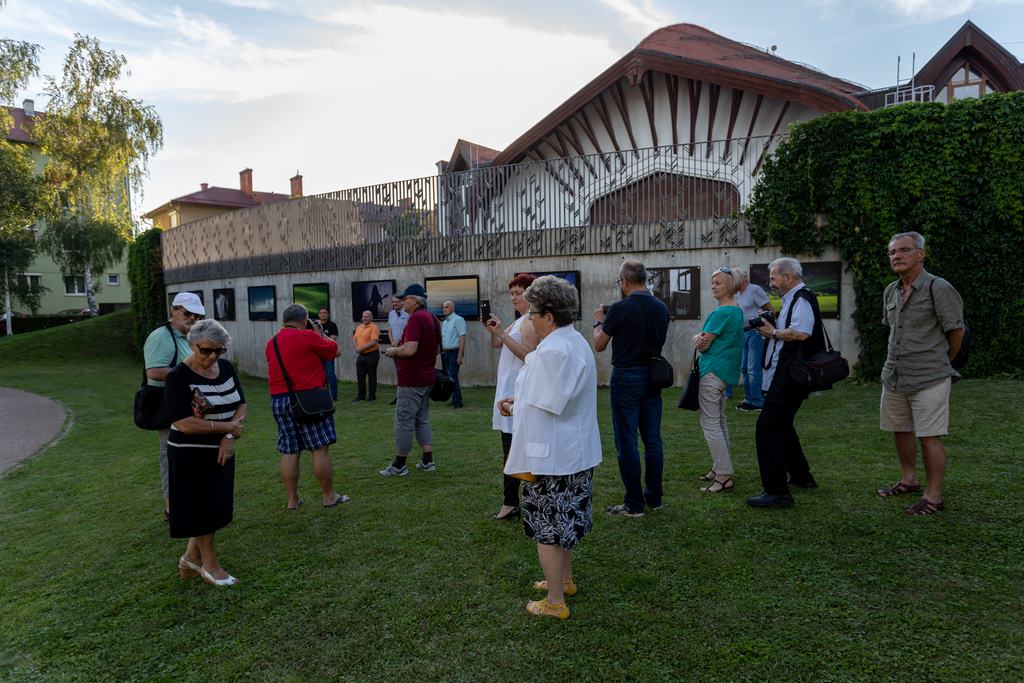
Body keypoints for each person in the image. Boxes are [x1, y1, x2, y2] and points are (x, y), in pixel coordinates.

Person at [497, 275, 600, 621]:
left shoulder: (553, 350)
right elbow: (554, 395)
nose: (530, 318)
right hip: (572, 452)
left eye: (533, 312)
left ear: (549, 316)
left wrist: (514, 408)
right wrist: (520, 401)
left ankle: (555, 601)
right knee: (564, 525)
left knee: (548, 531)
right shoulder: (573, 341)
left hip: (555, 458)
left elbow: (549, 404)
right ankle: (563, 581)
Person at [877, 231, 965, 515]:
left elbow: (956, 330)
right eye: (892, 252)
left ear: (921, 254)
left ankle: (933, 496)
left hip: (930, 376)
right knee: (900, 429)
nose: (897, 256)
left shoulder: (938, 287)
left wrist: (943, 361)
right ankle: (909, 480)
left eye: (904, 250)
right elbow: (892, 329)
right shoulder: (890, 290)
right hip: (894, 375)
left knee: (929, 436)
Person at [164, 319, 246, 586]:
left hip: (221, 449)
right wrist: (226, 427)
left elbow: (241, 405)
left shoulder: (226, 368)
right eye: (206, 350)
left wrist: (229, 437)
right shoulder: (178, 377)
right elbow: (183, 422)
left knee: (214, 505)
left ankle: (189, 559)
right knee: (201, 509)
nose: (212, 357)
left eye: (219, 351)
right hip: (189, 453)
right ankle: (210, 566)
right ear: (192, 344)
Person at [747, 257, 825, 508]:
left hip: (790, 376)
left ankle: (776, 491)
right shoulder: (795, 298)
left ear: (788, 277)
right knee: (782, 425)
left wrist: (773, 332)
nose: (771, 283)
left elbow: (801, 332)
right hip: (788, 374)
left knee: (767, 427)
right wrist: (773, 326)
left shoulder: (801, 298)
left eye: (773, 278)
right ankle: (801, 476)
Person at [593, 259, 669, 517]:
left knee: (627, 442)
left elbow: (599, 344)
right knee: (652, 440)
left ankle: (634, 504)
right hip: (653, 375)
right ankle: (655, 498)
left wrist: (599, 322)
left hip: (626, 375)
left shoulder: (620, 308)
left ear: (624, 281)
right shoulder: (661, 307)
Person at [266, 304, 348, 510]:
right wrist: (319, 332)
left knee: (290, 451)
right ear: (304, 320)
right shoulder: (309, 336)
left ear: (284, 321)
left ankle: (292, 500)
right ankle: (329, 497)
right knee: (319, 448)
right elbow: (336, 350)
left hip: (279, 400)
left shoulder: (271, 342)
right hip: (308, 400)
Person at [484, 273, 540, 521]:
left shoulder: (530, 321)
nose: (513, 298)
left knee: (514, 450)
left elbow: (530, 355)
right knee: (510, 448)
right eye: (512, 294)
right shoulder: (520, 320)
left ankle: (512, 503)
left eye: (518, 293)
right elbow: (496, 344)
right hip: (509, 392)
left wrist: (503, 335)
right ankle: (512, 502)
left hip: (517, 393)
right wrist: (494, 330)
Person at [143, 291, 203, 521]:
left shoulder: (188, 336)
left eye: (197, 315)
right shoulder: (162, 336)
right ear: (174, 311)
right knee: (171, 454)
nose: (193, 318)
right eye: (187, 313)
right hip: (170, 407)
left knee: (189, 453)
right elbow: (154, 371)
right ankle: (172, 506)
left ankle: (190, 498)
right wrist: (189, 375)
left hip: (188, 406)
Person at [693, 267, 744, 493]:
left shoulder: (721, 313)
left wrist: (698, 338)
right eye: (713, 282)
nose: (713, 286)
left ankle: (723, 475)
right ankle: (719, 468)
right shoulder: (737, 310)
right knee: (720, 422)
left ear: (730, 287)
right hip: (725, 373)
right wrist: (701, 338)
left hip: (712, 371)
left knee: (711, 424)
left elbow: (703, 344)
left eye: (718, 283)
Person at [381, 284, 438, 476]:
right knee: (422, 419)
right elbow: (438, 349)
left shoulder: (415, 318)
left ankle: (399, 465)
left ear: (414, 300)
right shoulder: (431, 317)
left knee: (404, 420)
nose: (402, 302)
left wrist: (393, 351)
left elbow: (410, 349)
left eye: (405, 299)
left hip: (411, 379)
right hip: (427, 377)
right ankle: (428, 460)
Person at [732, 267, 773, 412]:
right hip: (742, 333)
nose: (732, 281)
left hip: (755, 333)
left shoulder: (754, 290)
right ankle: (749, 399)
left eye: (734, 278)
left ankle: (757, 402)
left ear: (744, 278)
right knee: (744, 369)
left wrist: (764, 327)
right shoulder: (738, 293)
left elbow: (770, 310)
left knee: (753, 369)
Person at [440, 300, 467, 408]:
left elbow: (462, 337)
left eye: (447, 307)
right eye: (443, 307)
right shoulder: (445, 322)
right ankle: (456, 399)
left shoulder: (458, 320)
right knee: (451, 377)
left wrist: (460, 355)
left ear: (452, 308)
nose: (444, 309)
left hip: (455, 352)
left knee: (452, 377)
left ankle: (457, 403)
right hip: (446, 352)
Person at [352, 310, 380, 402]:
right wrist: (357, 348)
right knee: (360, 376)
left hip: (372, 354)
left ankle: (372, 396)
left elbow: (373, 342)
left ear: (371, 318)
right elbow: (354, 339)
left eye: (367, 317)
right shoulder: (359, 327)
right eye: (364, 316)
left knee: (371, 376)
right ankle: (361, 396)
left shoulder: (374, 327)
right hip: (361, 355)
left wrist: (360, 349)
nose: (365, 318)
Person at [386, 296, 410, 405]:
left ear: (402, 302)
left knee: (406, 372)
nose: (394, 303)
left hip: (405, 347)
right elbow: (390, 330)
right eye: (393, 302)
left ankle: (407, 396)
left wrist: (398, 342)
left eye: (397, 301)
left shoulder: (408, 314)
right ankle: (400, 396)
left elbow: (408, 331)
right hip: (395, 347)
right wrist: (392, 342)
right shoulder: (391, 314)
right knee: (399, 372)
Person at [317, 308, 340, 401]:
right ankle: (322, 394)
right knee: (319, 375)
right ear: (319, 315)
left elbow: (332, 340)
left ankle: (334, 396)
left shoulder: (332, 325)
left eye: (325, 313)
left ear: (328, 315)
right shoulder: (315, 325)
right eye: (321, 313)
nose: (323, 314)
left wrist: (321, 334)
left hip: (328, 354)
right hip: (318, 354)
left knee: (330, 374)